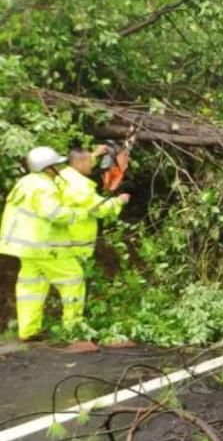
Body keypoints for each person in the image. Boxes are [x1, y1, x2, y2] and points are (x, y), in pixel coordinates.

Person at [0, 147, 89, 340]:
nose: (59, 167)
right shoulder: (44, 187)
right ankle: (72, 328)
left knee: (31, 287)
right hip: (44, 246)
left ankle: (28, 331)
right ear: (48, 167)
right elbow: (54, 213)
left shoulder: (26, 182)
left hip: (26, 248)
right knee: (73, 279)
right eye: (57, 164)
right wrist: (79, 214)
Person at [56, 145, 129, 264]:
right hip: (75, 240)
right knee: (73, 278)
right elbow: (99, 209)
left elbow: (81, 161)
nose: (92, 165)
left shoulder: (64, 174)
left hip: (60, 238)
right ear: (80, 163)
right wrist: (119, 201)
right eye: (90, 162)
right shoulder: (80, 186)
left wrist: (95, 154)